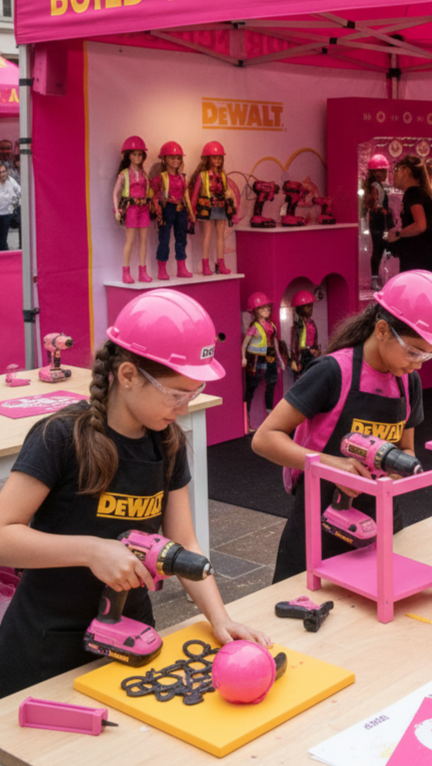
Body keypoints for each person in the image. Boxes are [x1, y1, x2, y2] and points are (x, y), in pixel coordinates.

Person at [0, 289, 271, 699]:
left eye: (192, 394)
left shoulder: (168, 442)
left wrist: (219, 618)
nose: (184, 407)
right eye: (177, 394)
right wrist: (92, 551)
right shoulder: (61, 437)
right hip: (46, 639)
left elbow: (183, 541)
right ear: (127, 376)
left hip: (130, 630)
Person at [252, 271, 432, 583]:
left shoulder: (408, 381)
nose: (419, 363)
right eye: (415, 351)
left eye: (430, 354)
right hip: (320, 522)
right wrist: (333, 466)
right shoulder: (332, 372)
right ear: (382, 330)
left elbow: (405, 449)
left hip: (383, 519)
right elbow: (265, 439)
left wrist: (388, 473)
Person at [189, 141, 237, 276]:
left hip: (220, 207)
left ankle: (221, 263)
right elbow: (195, 194)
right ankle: (205, 264)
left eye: (220, 157)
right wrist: (192, 212)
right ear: (208, 158)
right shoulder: (203, 175)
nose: (217, 160)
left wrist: (231, 205)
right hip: (206, 207)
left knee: (221, 236)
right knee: (207, 236)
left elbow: (228, 191)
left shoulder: (222, 175)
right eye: (214, 157)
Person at [112, 135, 154, 285]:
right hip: (130, 209)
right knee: (130, 240)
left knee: (143, 241)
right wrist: (117, 210)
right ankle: (126, 272)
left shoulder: (144, 174)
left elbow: (148, 191)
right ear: (129, 155)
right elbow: (115, 192)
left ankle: (143, 271)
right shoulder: (124, 174)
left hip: (143, 208)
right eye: (135, 154)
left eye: (140, 154)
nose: (137, 157)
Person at [387, 155, 432, 274]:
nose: (392, 176)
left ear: (405, 171)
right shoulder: (417, 193)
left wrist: (398, 234)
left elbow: (420, 225)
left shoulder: (413, 193)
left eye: (395, 171)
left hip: (418, 257)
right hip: (421, 256)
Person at [151, 141, 195, 281]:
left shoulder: (182, 177)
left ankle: (181, 267)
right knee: (164, 239)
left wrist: (191, 213)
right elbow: (153, 194)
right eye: (172, 158)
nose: (176, 161)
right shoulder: (161, 177)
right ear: (164, 159)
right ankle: (162, 269)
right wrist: (157, 208)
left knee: (181, 239)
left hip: (180, 209)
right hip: (167, 209)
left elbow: (186, 195)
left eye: (178, 158)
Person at [242, 292, 287, 429]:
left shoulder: (271, 326)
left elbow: (275, 344)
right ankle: (246, 420)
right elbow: (244, 344)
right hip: (256, 359)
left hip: (270, 357)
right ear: (255, 311)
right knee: (251, 389)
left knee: (271, 385)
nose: (266, 311)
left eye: (267, 308)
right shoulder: (254, 327)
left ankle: (269, 417)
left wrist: (280, 360)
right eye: (262, 309)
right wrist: (243, 357)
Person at [362, 153, 393, 291]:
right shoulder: (375, 186)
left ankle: (379, 277)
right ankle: (375, 278)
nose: (385, 173)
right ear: (376, 172)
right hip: (378, 221)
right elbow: (374, 204)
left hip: (381, 220)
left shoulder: (376, 185)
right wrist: (385, 211)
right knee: (379, 249)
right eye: (383, 171)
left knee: (382, 248)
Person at [289, 289, 321, 377]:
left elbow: (315, 338)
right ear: (300, 309)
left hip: (311, 353)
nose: (310, 309)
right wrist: (294, 359)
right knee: (301, 376)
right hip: (301, 355)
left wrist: (316, 350)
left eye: (310, 306)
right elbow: (294, 343)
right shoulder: (297, 325)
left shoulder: (311, 322)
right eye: (307, 306)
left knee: (313, 375)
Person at [0, 161, 20, 251]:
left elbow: (20, 191)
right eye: (1, 172)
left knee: (3, 239)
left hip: (7, 213)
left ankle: (5, 259)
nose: (3, 174)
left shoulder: (10, 181)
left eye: (4, 171)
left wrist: (16, 202)